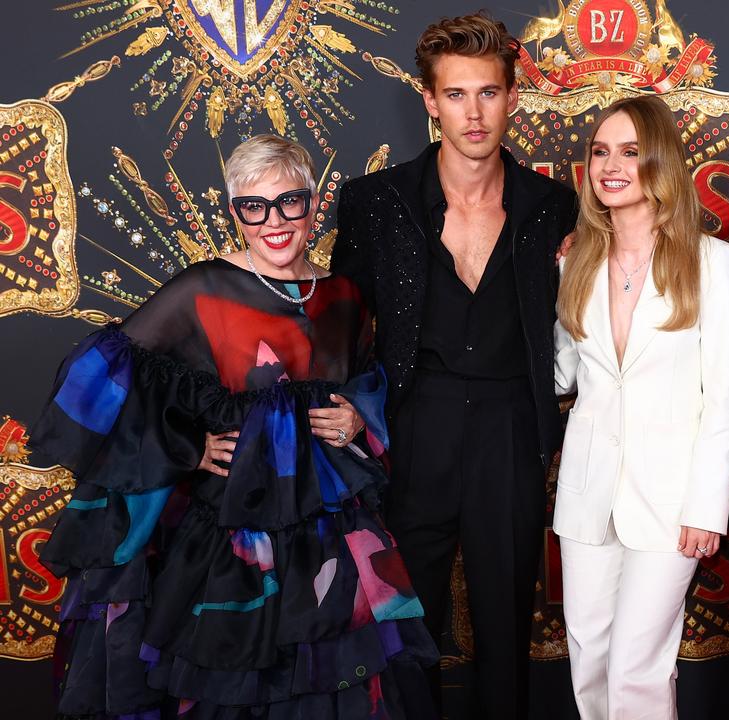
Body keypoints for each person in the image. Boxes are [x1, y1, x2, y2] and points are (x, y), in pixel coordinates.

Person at [33, 134, 437, 719]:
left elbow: (375, 381)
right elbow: (101, 379)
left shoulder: (345, 295)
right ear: (236, 213)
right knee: (233, 686)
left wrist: (356, 415)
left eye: (289, 202)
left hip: (335, 539)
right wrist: (185, 449)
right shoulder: (204, 289)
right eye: (255, 207)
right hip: (235, 541)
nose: (274, 222)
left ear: (313, 203)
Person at [330, 13, 577, 719]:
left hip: (510, 430)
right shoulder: (376, 202)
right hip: (413, 431)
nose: (475, 113)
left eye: (490, 93)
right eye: (457, 95)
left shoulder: (552, 207)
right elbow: (344, 327)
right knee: (408, 632)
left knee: (506, 632)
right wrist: (350, 411)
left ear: (512, 97)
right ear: (430, 100)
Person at [552, 95, 729, 719]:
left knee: (639, 662)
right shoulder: (575, 263)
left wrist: (706, 507)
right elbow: (562, 375)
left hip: (670, 499)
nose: (612, 165)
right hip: (587, 493)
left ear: (659, 161)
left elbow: (723, 396)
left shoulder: (715, 264)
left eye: (630, 152)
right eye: (601, 151)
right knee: (589, 654)